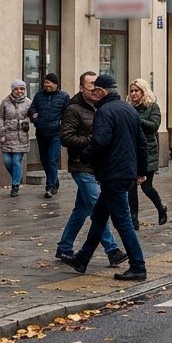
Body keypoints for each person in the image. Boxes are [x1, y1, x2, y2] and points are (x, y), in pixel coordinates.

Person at [57, 74, 147, 282]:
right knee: (98, 216)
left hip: (112, 173)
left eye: (96, 90)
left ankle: (138, 265)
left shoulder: (105, 111)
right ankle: (82, 258)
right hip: (124, 171)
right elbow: (141, 142)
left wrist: (85, 156)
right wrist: (140, 170)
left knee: (122, 221)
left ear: (104, 91)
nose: (94, 93)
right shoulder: (128, 109)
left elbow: (101, 141)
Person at [56, 72, 126, 268]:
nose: (95, 90)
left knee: (82, 209)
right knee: (98, 209)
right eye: (91, 87)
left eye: (97, 86)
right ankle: (112, 250)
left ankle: (64, 246)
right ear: (81, 88)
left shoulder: (101, 106)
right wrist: (92, 141)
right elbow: (66, 138)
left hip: (97, 167)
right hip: (81, 165)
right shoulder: (73, 109)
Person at [127, 78, 169, 225]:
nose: (133, 94)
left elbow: (153, 126)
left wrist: (137, 119)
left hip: (147, 151)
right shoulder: (129, 107)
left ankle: (161, 207)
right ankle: (134, 218)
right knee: (131, 186)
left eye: (136, 91)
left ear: (143, 92)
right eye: (131, 91)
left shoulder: (153, 107)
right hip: (132, 151)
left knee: (146, 186)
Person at [28, 73, 69, 198]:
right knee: (44, 160)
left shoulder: (63, 97)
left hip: (55, 134)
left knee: (52, 160)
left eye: (49, 83)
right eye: (45, 82)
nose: (46, 85)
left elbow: (68, 113)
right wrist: (36, 120)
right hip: (41, 133)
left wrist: (61, 125)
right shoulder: (39, 96)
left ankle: (50, 187)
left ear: (55, 84)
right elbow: (32, 110)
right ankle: (54, 181)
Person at [0, 80, 32, 197]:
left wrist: (28, 122)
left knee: (16, 161)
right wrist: (2, 129)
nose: (19, 91)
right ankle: (17, 177)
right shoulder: (5, 102)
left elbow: (33, 115)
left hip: (21, 137)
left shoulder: (28, 103)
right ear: (12, 90)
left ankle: (15, 185)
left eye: (22, 89)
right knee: (7, 162)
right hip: (7, 137)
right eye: (16, 89)